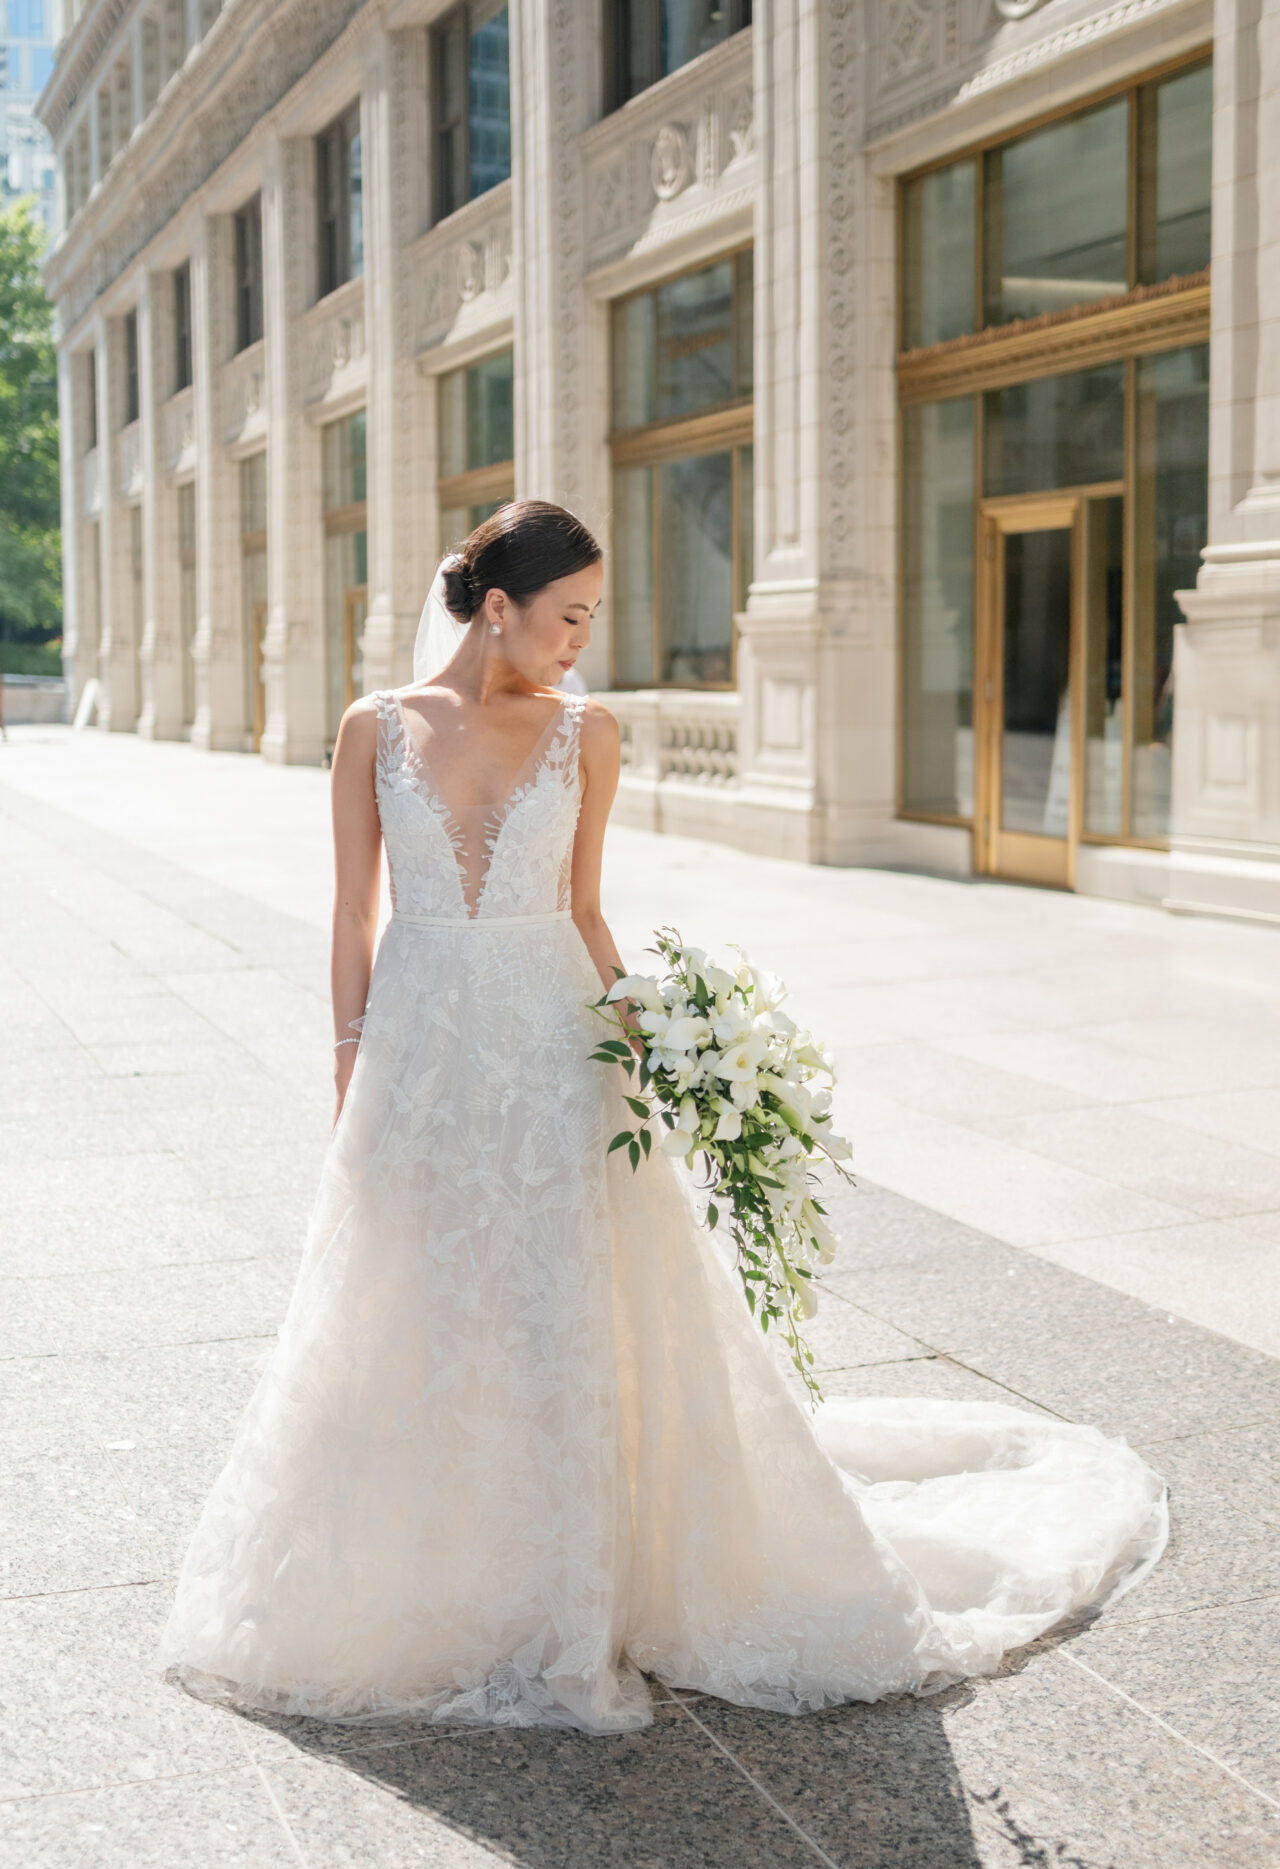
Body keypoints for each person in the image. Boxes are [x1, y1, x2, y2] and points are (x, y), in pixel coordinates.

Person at [158, 499, 1167, 1734]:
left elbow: (584, 910)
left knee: (563, 1299)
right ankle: (430, 1567)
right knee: (410, 1292)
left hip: (551, 1036)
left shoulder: (590, 733)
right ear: (495, 608)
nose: (584, 638)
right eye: (569, 614)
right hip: (419, 1050)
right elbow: (348, 916)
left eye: (594, 616)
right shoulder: (373, 729)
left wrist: (656, 1055)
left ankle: (583, 1570)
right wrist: (344, 1064)